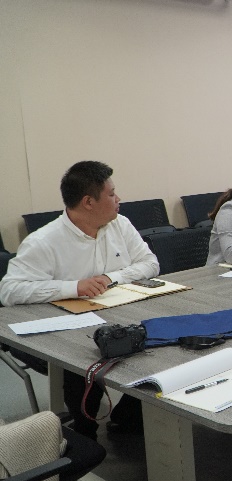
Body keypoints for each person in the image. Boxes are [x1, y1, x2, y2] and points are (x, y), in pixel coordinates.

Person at [0, 160, 160, 440]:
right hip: (57, 328)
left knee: (159, 342)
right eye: (111, 194)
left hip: (113, 315)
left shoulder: (120, 225)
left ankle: (127, 418)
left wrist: (110, 278)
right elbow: (10, 291)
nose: (118, 199)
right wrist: (74, 287)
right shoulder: (44, 241)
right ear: (88, 202)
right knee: (84, 362)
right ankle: (85, 434)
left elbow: (150, 263)